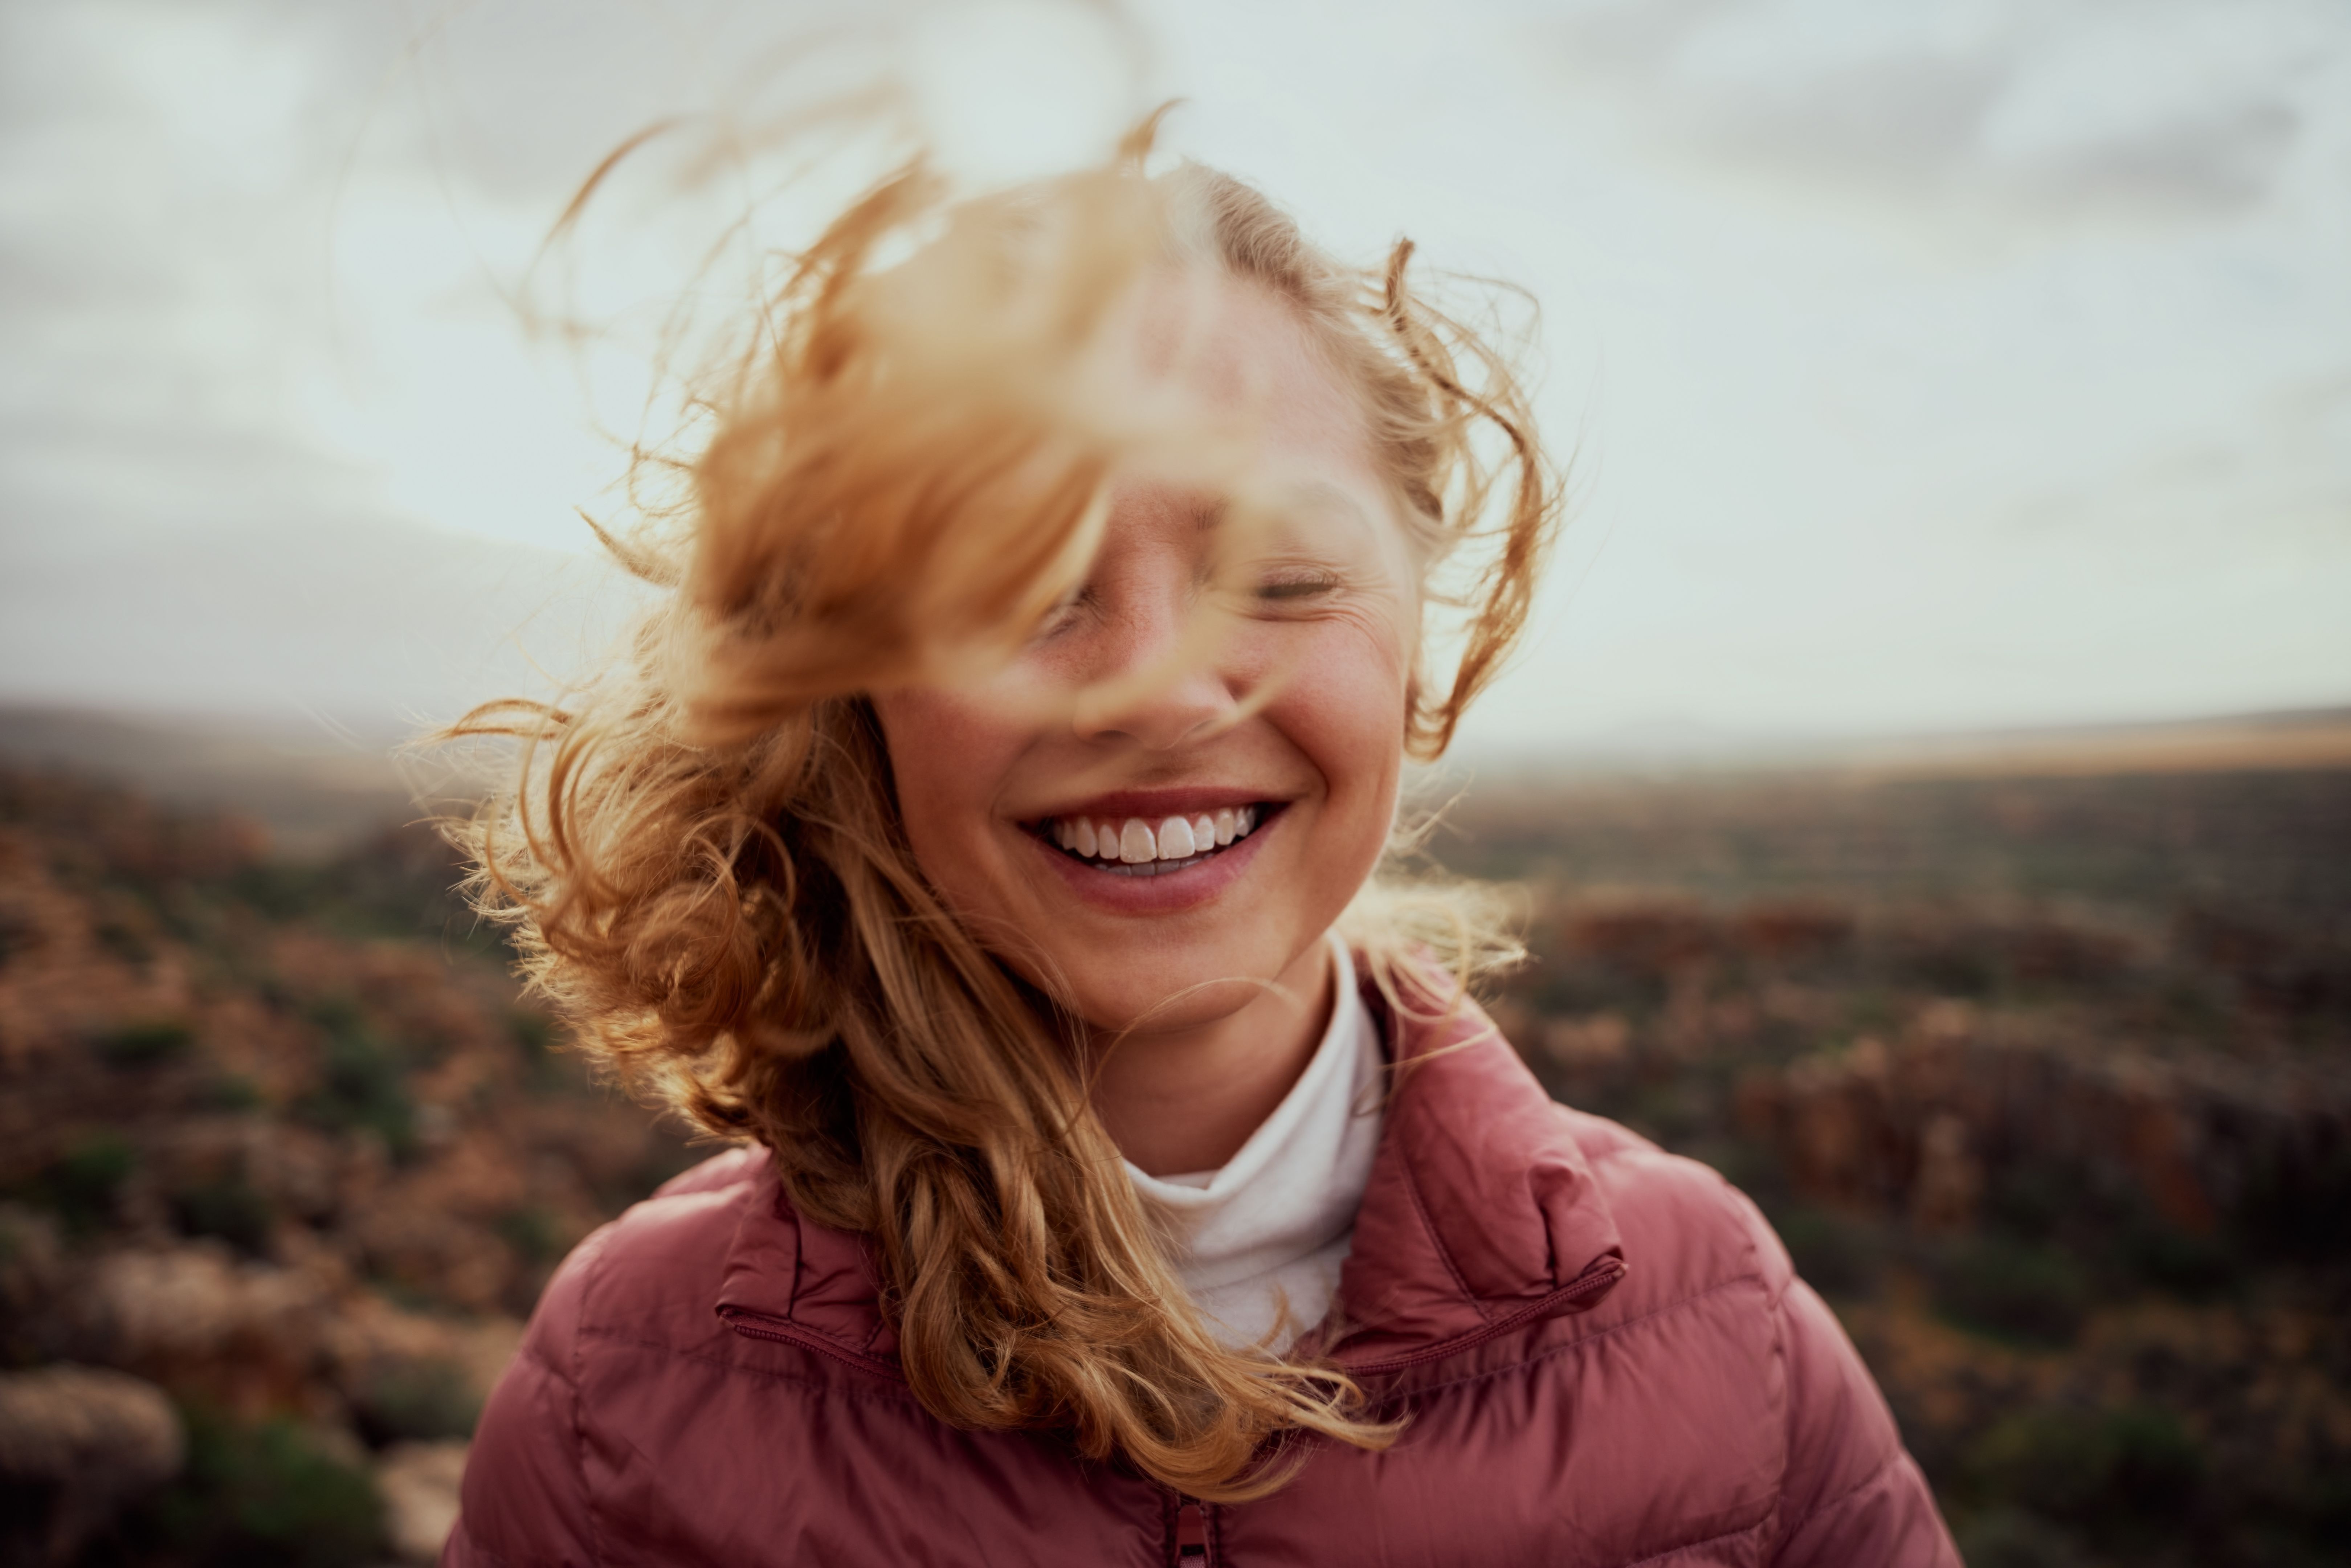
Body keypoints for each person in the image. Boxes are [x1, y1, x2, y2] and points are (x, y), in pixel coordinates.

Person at [440, 132, 1959, 1566]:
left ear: (1418, 646)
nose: (1162, 687)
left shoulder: (1723, 1340)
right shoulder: (625, 1400)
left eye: (1282, 575)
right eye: (1020, 583)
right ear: (850, 686)